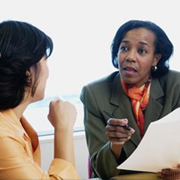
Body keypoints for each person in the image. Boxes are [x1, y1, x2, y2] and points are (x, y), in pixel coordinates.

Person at [80, 20, 180, 179]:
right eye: (124, 48)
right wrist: (115, 145)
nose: (130, 57)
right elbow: (102, 172)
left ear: (156, 59)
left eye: (141, 51)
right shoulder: (94, 94)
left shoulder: (176, 85)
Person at [0, 20, 80, 179]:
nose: (48, 72)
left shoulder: (13, 122)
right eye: (45, 60)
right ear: (28, 72)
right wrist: (63, 128)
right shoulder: (3, 136)